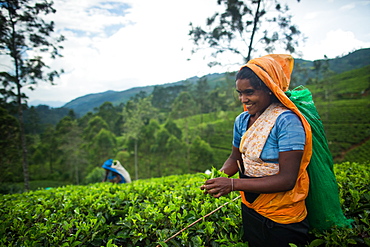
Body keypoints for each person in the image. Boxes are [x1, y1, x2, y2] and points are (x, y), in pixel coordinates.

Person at [201, 54, 312, 247]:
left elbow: (287, 180)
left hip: (282, 217)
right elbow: (235, 158)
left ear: (269, 88)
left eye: (249, 92)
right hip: (251, 207)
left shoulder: (287, 122)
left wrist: (233, 185)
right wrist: (217, 180)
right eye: (239, 93)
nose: (243, 99)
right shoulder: (242, 120)